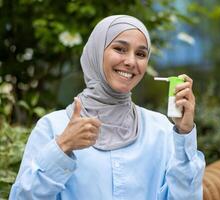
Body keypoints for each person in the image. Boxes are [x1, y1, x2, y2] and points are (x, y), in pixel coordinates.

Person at [9, 15, 205, 200]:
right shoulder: (54, 127)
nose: (130, 62)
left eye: (141, 54)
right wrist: (62, 148)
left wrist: (184, 133)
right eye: (120, 49)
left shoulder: (160, 129)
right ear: (96, 52)